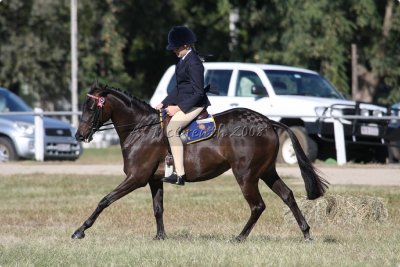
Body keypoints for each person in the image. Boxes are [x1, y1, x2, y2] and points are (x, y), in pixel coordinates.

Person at [156, 25, 210, 186]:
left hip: (196, 104)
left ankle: (179, 174)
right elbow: (179, 88)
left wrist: (177, 108)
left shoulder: (194, 63)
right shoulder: (181, 61)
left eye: (176, 47)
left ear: (186, 45)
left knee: (172, 129)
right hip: (185, 102)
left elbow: (198, 93)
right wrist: (163, 103)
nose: (174, 50)